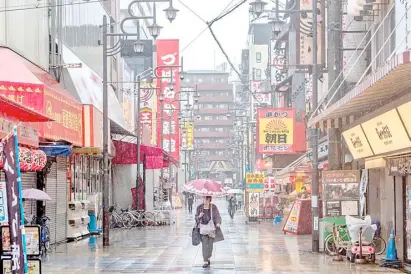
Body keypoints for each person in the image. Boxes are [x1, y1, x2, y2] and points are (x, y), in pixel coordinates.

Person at [195, 196, 224, 268]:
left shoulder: (213, 207)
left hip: (211, 229)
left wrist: (218, 222)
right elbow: (196, 217)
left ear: (210, 199)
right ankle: (205, 260)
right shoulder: (199, 207)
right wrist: (199, 216)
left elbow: (217, 215)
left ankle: (208, 257)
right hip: (203, 229)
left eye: (207, 198)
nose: (205, 200)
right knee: (204, 244)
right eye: (204, 198)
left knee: (210, 244)